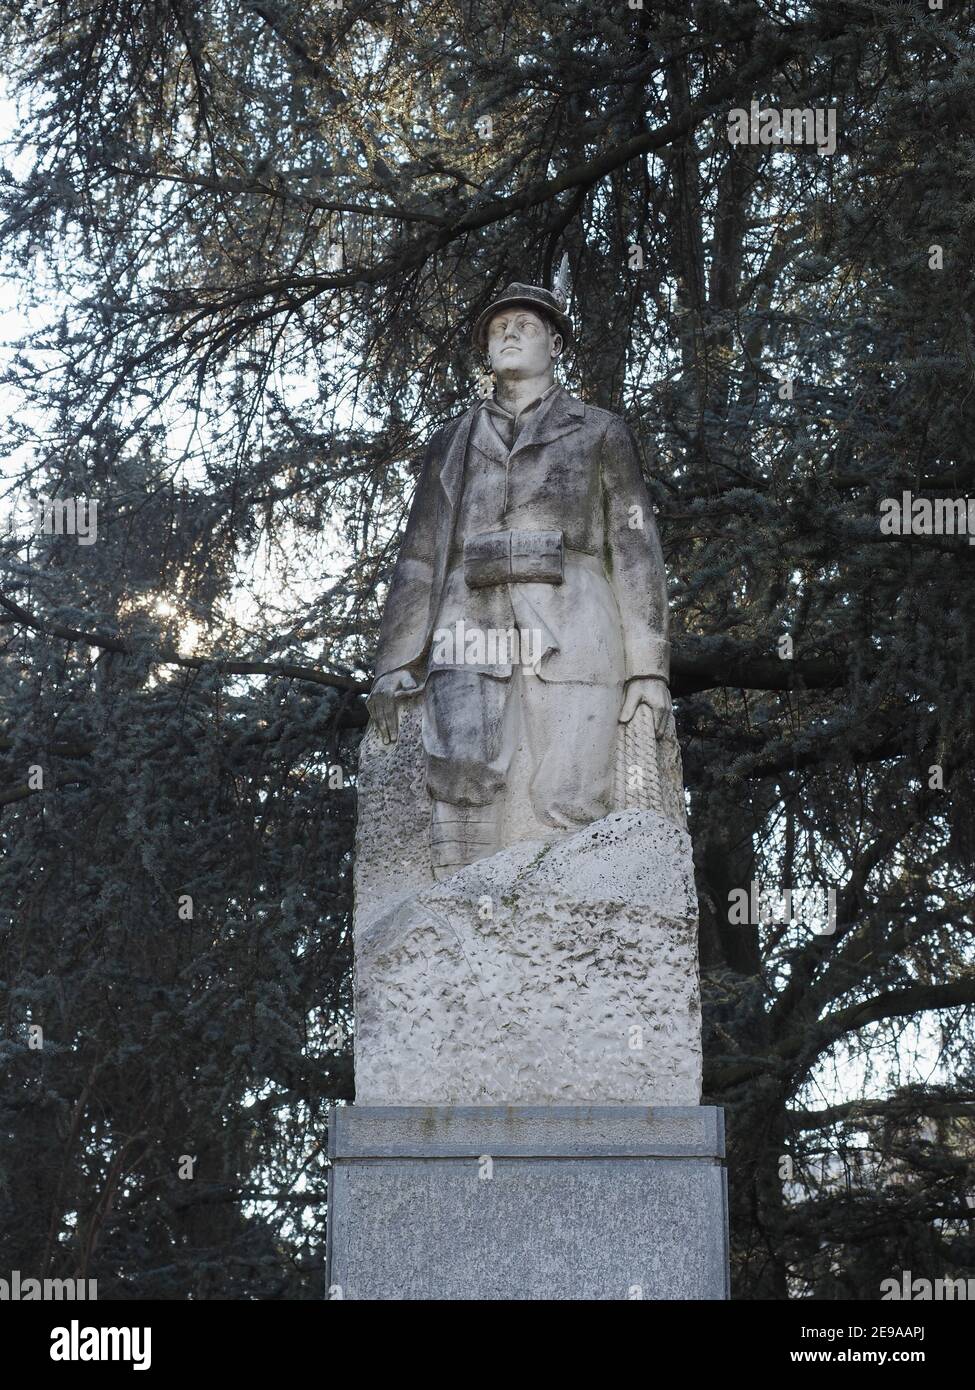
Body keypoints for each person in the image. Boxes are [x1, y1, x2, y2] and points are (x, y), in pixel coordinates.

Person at [368, 278, 672, 877]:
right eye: (498, 327)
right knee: (459, 768)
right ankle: (460, 931)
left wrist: (647, 666)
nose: (509, 333)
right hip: (467, 617)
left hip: (575, 616)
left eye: (526, 326)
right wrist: (396, 663)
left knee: (574, 786)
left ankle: (569, 935)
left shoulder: (599, 430)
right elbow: (421, 557)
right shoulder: (450, 442)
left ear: (555, 344)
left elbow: (635, 548)